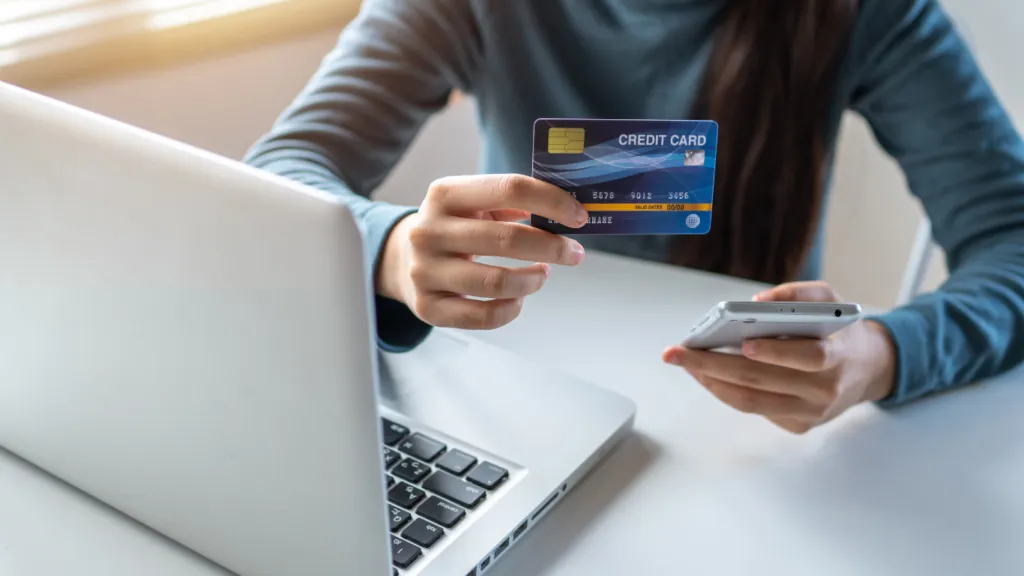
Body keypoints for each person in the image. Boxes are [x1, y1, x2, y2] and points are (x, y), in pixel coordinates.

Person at [244, 0, 1024, 434]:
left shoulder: (868, 14)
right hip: (523, 397)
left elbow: (1012, 240)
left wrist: (885, 352)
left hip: (751, 426)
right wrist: (392, 246)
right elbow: (276, 176)